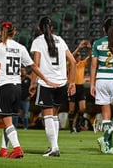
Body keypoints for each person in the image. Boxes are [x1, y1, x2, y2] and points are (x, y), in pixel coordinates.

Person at [0, 21, 58, 158]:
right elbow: (32, 66)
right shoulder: (20, 47)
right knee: (7, 119)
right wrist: (45, 79)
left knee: (6, 121)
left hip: (4, 86)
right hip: (17, 87)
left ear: (0, 32)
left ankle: (17, 149)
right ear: (14, 33)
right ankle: (3, 149)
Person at [29, 16, 76, 157]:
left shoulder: (38, 42)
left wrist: (32, 83)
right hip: (61, 83)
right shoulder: (60, 40)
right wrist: (72, 82)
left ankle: (54, 148)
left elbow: (35, 65)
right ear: (53, 28)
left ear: (39, 28)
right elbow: (73, 62)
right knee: (54, 115)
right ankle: (54, 146)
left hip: (46, 83)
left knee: (47, 116)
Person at [90, 18, 113, 154]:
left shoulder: (97, 43)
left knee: (105, 115)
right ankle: (105, 140)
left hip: (101, 80)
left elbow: (93, 65)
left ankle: (108, 147)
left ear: (104, 29)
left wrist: (92, 84)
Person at [68, 39, 91, 133]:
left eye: (80, 55)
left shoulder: (82, 64)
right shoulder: (70, 64)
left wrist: (89, 48)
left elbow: (90, 57)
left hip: (80, 87)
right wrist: (79, 48)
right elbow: (71, 57)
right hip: (72, 87)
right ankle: (71, 127)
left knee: (82, 108)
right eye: (78, 56)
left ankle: (77, 124)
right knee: (71, 110)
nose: (79, 57)